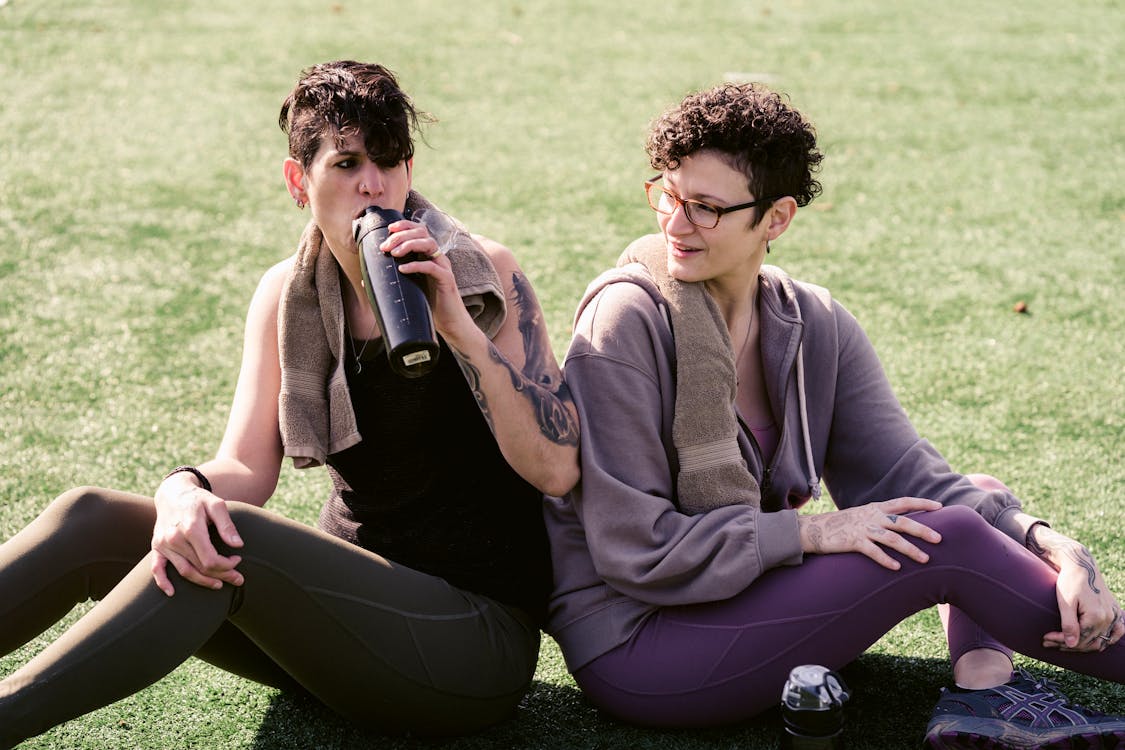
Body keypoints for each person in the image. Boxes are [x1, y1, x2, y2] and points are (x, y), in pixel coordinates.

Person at [0, 60, 579, 748]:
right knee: (94, 518)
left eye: (390, 161)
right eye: (347, 163)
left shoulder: (485, 273)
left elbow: (557, 471)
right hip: (337, 628)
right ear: (298, 181)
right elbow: (246, 466)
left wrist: (457, 328)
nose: (374, 184)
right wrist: (182, 489)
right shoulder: (287, 294)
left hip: (473, 645)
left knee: (222, 549)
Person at [542, 82, 1125, 749]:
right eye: (668, 195)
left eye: (705, 208)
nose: (675, 225)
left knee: (977, 503)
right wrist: (811, 535)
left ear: (777, 217)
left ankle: (985, 693)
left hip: (744, 601)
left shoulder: (813, 322)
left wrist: (1058, 548)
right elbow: (635, 549)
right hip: (640, 645)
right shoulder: (624, 321)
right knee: (951, 539)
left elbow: (909, 477)